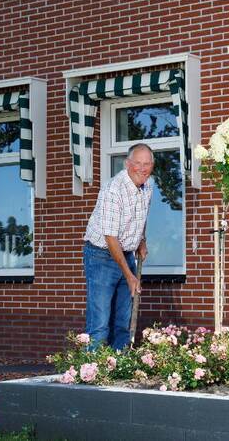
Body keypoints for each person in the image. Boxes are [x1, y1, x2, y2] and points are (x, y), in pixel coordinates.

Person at [82, 143, 154, 350]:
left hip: (127, 254)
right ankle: (90, 374)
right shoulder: (113, 190)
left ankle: (119, 369)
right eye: (137, 163)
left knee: (123, 321)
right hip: (101, 255)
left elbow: (140, 217)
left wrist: (141, 240)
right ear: (127, 164)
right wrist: (130, 275)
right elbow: (110, 238)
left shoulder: (147, 186)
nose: (142, 168)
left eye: (147, 164)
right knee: (100, 324)